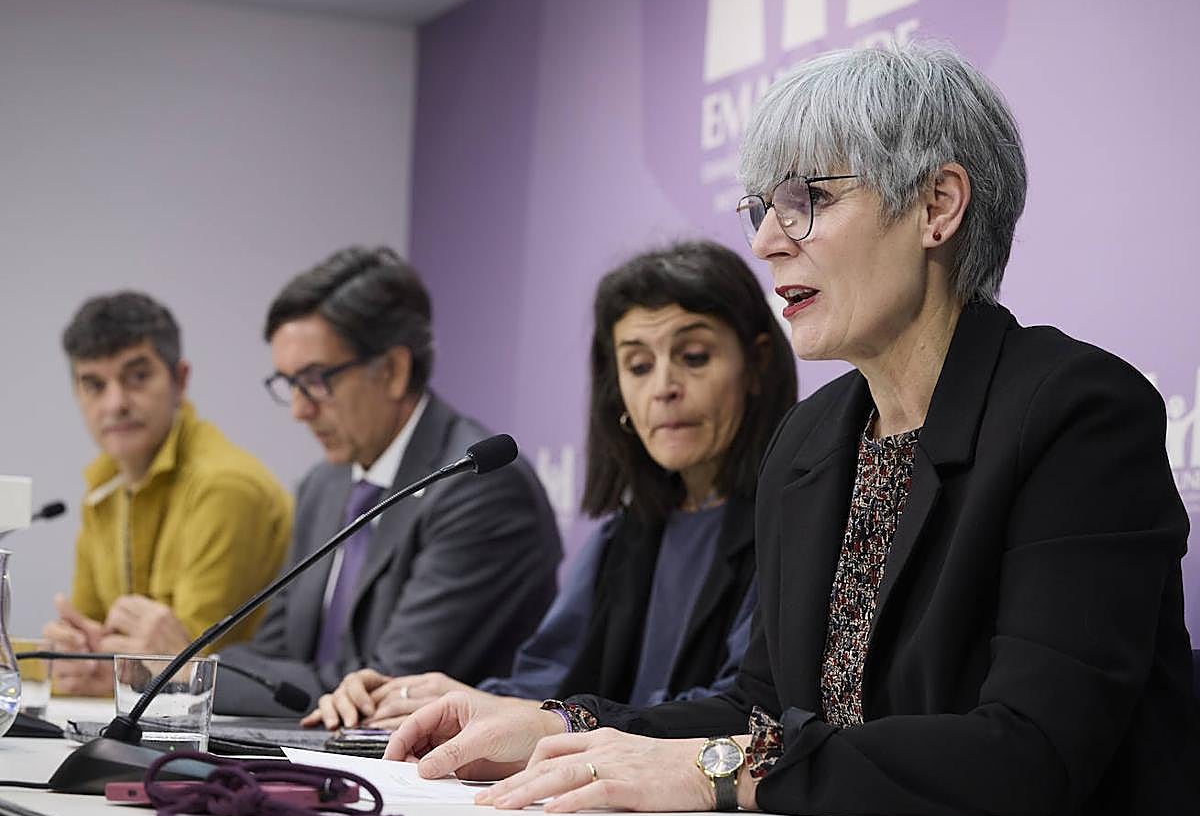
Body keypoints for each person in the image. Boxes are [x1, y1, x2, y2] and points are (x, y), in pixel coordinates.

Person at [383, 44, 1200, 816]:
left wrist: (717, 771)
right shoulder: (809, 438)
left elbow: (1032, 751)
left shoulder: (1078, 414)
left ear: (937, 206)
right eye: (762, 208)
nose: (767, 241)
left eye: (808, 199)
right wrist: (562, 725)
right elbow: (762, 713)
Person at [302, 240, 797, 731]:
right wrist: (433, 702)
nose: (664, 388)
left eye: (694, 356)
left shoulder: (794, 525)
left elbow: (746, 711)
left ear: (756, 364)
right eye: (639, 366)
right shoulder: (622, 537)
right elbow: (542, 685)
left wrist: (564, 721)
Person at [213, 246, 562, 716]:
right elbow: (270, 660)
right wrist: (190, 673)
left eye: (315, 380)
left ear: (394, 371)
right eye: (290, 384)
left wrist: (200, 678)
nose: (299, 409)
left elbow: (385, 687)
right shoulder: (323, 486)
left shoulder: (479, 486)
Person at [44, 291, 291, 695]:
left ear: (180, 380)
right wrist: (78, 659)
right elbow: (95, 640)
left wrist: (113, 671)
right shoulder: (102, 487)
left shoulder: (225, 486)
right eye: (94, 385)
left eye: (137, 377)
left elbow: (191, 663)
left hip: (234, 723)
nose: (115, 403)